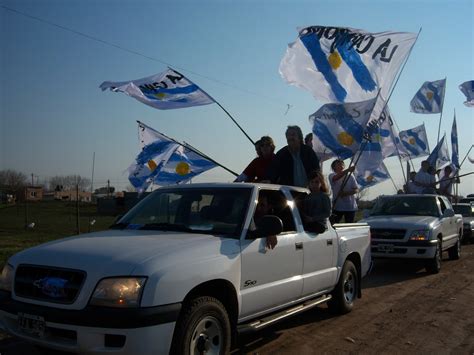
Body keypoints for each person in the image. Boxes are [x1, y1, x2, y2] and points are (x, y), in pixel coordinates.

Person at [329, 159, 358, 223]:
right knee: (333, 225)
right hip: (338, 206)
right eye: (338, 163)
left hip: (350, 207)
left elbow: (356, 189)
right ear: (334, 167)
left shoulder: (350, 176)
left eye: (342, 163)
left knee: (349, 227)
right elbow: (336, 178)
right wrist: (348, 170)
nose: (341, 164)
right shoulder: (331, 175)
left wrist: (346, 193)